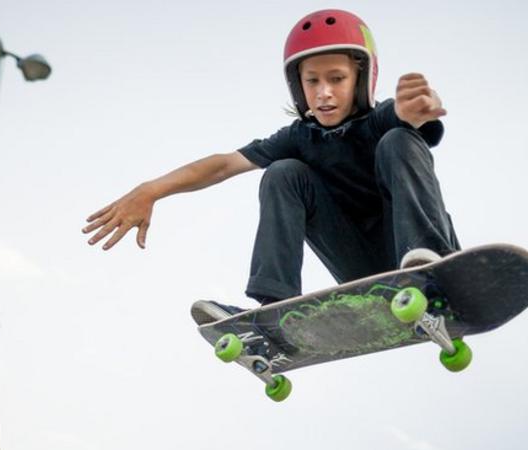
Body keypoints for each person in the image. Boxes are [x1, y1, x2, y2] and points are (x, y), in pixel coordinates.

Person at [83, 8, 461, 324]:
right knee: (283, 171)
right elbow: (222, 165)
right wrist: (151, 190)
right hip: (365, 270)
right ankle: (275, 311)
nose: (323, 92)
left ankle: (430, 265)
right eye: (312, 81)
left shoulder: (380, 118)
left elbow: (404, 116)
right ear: (298, 88)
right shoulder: (298, 137)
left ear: (362, 79)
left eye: (337, 79)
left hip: (418, 252)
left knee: (398, 138)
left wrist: (414, 112)